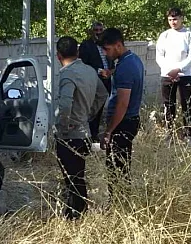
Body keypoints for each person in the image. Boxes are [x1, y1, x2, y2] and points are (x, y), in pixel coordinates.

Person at [54, 36, 109, 219]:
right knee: (78, 175)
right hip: (84, 132)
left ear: (58, 55)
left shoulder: (67, 74)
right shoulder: (90, 70)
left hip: (70, 135)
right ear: (77, 52)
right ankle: (79, 212)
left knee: (71, 178)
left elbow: (65, 104)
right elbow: (102, 94)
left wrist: (63, 126)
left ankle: (75, 214)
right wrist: (89, 114)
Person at [100, 28, 144, 190]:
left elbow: (122, 104)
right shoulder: (132, 59)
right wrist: (112, 72)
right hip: (129, 119)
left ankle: (119, 200)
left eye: (107, 49)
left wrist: (109, 131)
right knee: (121, 165)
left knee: (116, 168)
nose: (105, 53)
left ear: (118, 45)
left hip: (123, 123)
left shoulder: (125, 67)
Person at [155, 7, 191, 145]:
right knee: (168, 104)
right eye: (170, 20)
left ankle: (188, 134)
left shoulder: (189, 35)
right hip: (167, 74)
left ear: (181, 18)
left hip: (184, 74)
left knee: (187, 104)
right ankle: (170, 133)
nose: (173, 22)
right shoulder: (164, 36)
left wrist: (179, 69)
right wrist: (169, 70)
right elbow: (159, 56)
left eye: (175, 19)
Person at [80, 22, 114, 143]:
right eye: (96, 30)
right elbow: (83, 64)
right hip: (93, 80)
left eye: (100, 30)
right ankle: (89, 135)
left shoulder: (107, 45)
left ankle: (95, 134)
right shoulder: (86, 45)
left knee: (100, 108)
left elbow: (112, 63)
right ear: (92, 31)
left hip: (106, 80)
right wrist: (100, 71)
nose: (98, 32)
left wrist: (110, 71)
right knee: (92, 108)